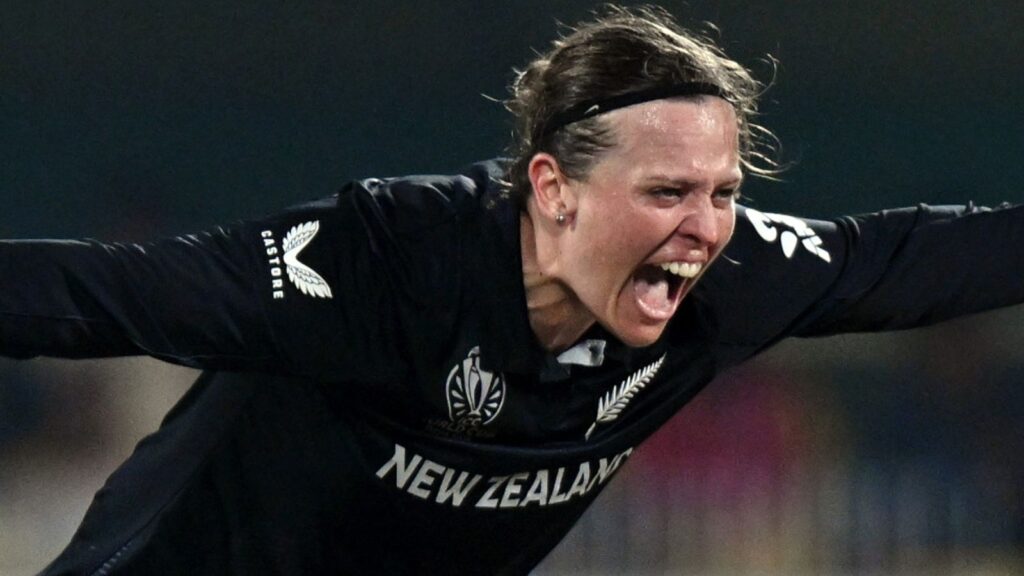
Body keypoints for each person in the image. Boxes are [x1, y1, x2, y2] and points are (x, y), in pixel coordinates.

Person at [2, 5, 1021, 575]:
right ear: (553, 188)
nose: (706, 228)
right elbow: (108, 293)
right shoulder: (386, 261)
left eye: (723, 193)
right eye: (666, 192)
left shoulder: (725, 278)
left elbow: (913, 260)